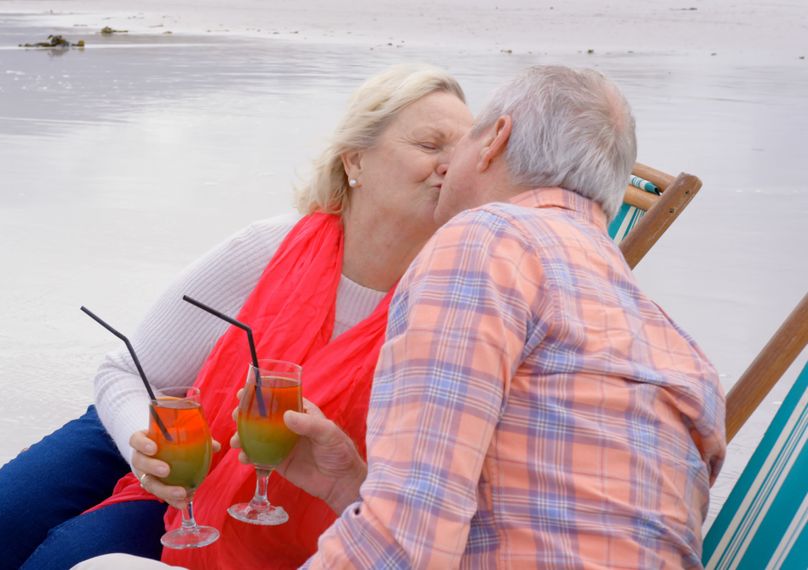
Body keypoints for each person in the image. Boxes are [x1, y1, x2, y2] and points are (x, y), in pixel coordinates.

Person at [0, 63, 474, 570]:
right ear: (355, 159)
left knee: (66, 556)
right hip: (164, 425)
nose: (452, 164)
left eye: (466, 149)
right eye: (430, 144)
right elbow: (125, 372)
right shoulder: (269, 247)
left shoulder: (459, 299)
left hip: (296, 496)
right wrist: (144, 449)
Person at [275, 65, 727, 568]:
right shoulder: (670, 339)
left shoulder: (486, 240)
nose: (448, 164)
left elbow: (405, 548)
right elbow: (555, 517)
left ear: (494, 140)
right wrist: (348, 484)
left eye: (464, 139)